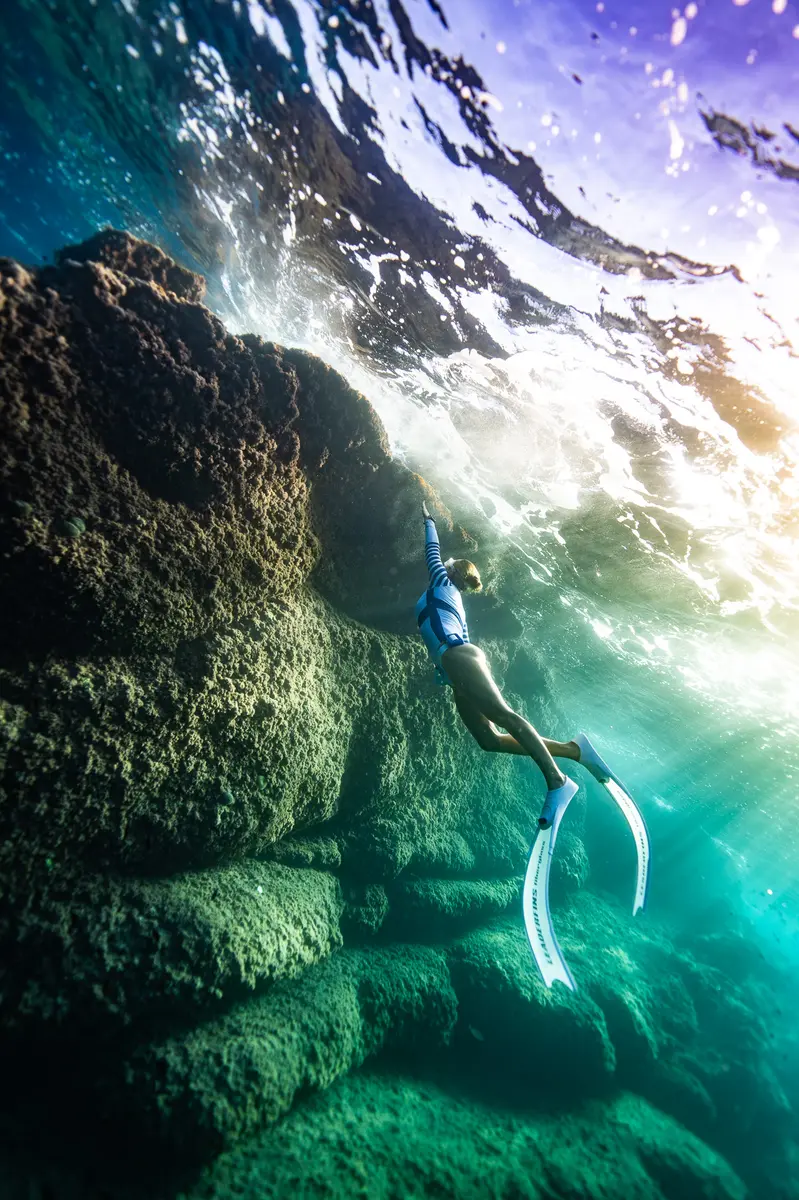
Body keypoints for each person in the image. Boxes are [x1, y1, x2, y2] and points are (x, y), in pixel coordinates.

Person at [415, 500, 579, 828]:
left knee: (504, 716)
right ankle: (573, 751)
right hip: (454, 667)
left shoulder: (442, 582)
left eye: (446, 565)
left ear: (451, 571)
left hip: (459, 657)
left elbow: (431, 551)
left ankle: (557, 781)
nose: (441, 565)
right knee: (489, 740)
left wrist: (429, 520)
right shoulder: (449, 595)